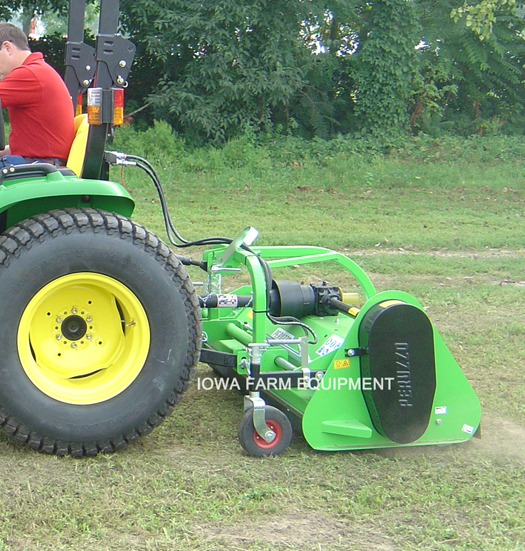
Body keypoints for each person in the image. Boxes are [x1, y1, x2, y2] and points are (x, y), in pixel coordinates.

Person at [0, 23, 75, 168]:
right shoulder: (38, 70)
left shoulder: (29, 74)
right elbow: (38, 144)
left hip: (40, 165)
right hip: (40, 161)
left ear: (8, 48)